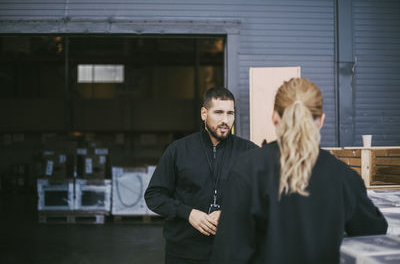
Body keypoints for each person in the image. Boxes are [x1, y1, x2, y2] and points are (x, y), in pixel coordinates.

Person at [211, 78, 388, 264]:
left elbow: (227, 253)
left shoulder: (246, 169)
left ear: (275, 117)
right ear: (320, 121)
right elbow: (374, 228)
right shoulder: (343, 176)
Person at [145, 87, 258, 264]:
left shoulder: (249, 152)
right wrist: (188, 213)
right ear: (204, 113)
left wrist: (231, 212)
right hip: (183, 253)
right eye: (218, 112)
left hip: (233, 252)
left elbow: (263, 197)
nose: (225, 120)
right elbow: (154, 196)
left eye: (230, 113)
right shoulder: (178, 150)